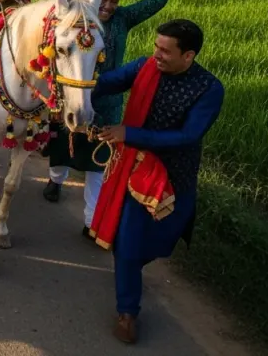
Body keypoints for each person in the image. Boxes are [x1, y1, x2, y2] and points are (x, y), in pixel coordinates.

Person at [90, 19, 222, 344]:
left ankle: (129, 272)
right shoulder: (145, 67)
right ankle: (128, 312)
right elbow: (108, 81)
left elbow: (188, 135)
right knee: (128, 245)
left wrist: (128, 134)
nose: (156, 55)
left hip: (175, 180)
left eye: (165, 50)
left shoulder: (209, 88)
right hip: (136, 176)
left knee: (161, 242)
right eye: (155, 47)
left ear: (188, 56)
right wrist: (73, 83)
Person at [44, 0, 177, 223]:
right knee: (62, 144)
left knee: (99, 158)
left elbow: (155, 0)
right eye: (103, 0)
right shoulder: (75, 16)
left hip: (107, 101)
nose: (107, 6)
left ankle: (91, 220)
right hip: (71, 94)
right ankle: (56, 180)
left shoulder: (123, 19)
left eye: (114, 1)